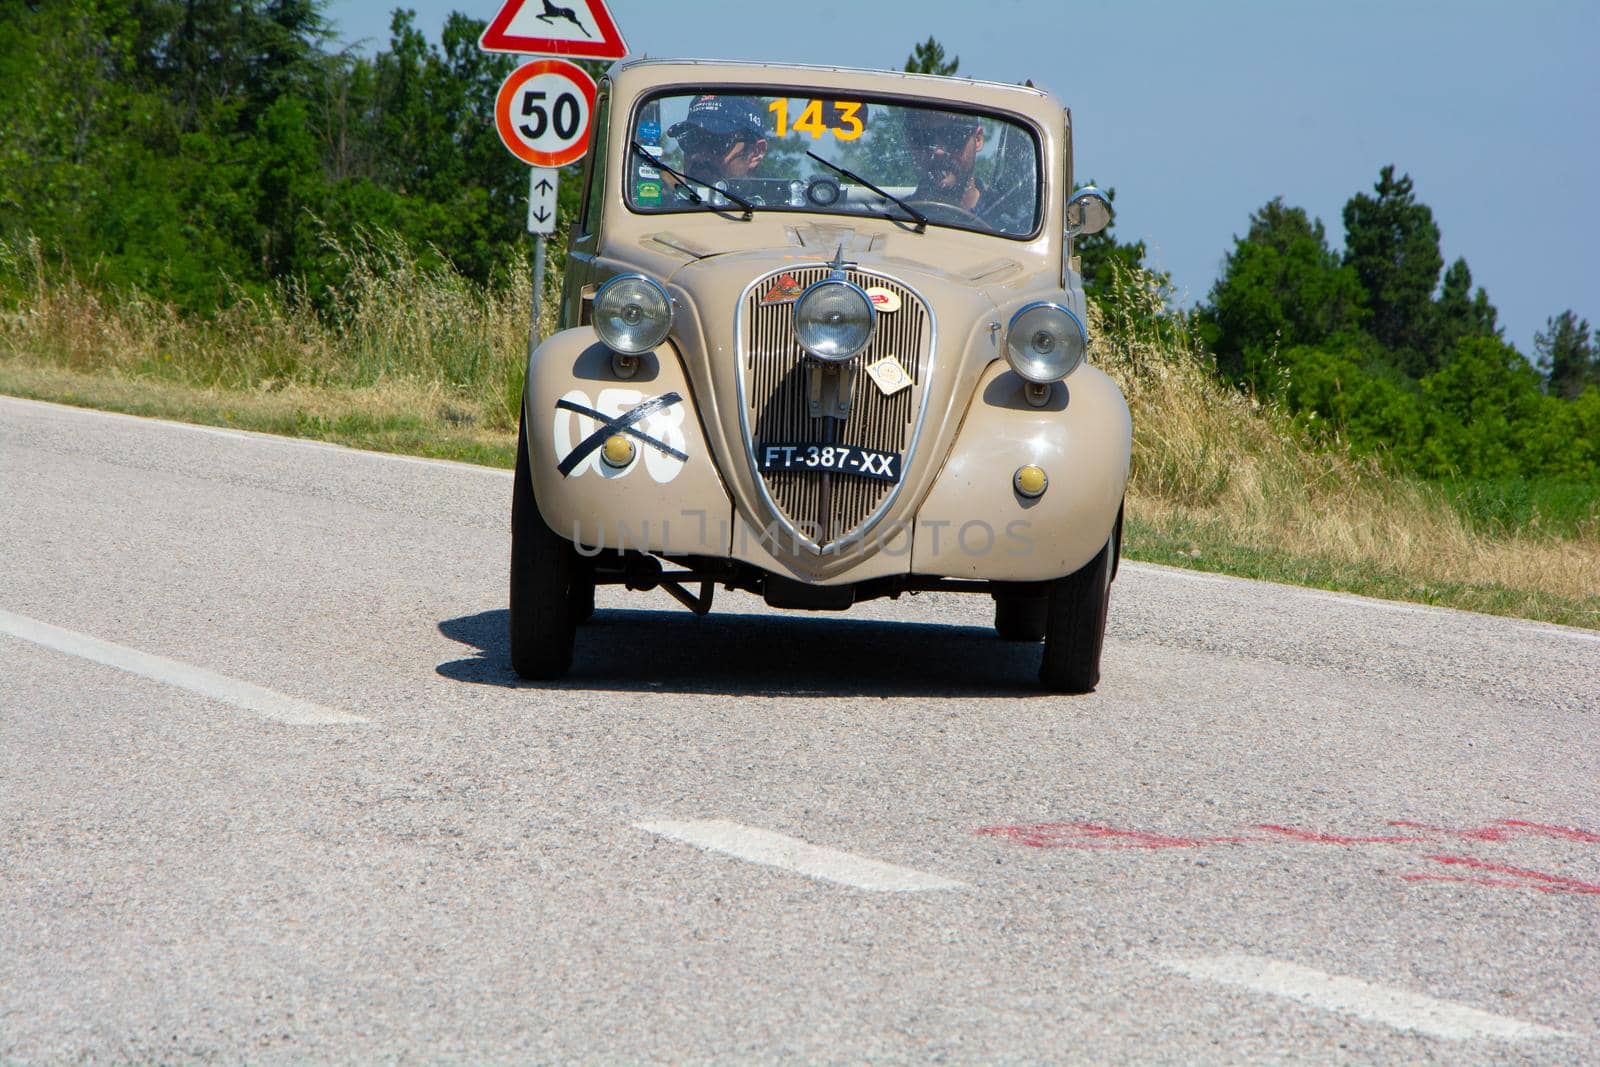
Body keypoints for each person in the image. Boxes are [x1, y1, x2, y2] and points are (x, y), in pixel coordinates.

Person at [666, 95, 768, 191]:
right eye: (691, 140)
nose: (699, 156)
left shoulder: (776, 207)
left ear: (756, 153)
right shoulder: (662, 206)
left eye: (717, 142)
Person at [905, 109, 987, 213]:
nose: (938, 152)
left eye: (953, 136)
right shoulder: (892, 219)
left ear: (978, 139)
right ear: (909, 143)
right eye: (924, 138)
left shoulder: (1005, 223)